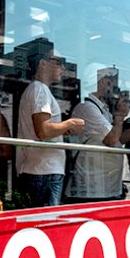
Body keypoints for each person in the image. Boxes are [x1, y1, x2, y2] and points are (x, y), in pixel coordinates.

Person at [16, 49, 85, 206]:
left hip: (41, 170)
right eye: (59, 62)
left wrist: (62, 129)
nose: (63, 68)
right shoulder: (40, 89)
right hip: (44, 171)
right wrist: (70, 123)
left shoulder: (37, 89)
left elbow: (43, 130)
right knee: (45, 224)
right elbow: (43, 131)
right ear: (43, 63)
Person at [65, 67, 130, 202]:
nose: (113, 89)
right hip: (92, 189)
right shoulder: (87, 108)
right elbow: (111, 140)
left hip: (107, 187)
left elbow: (117, 140)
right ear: (101, 83)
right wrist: (119, 117)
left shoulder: (103, 110)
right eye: (110, 83)